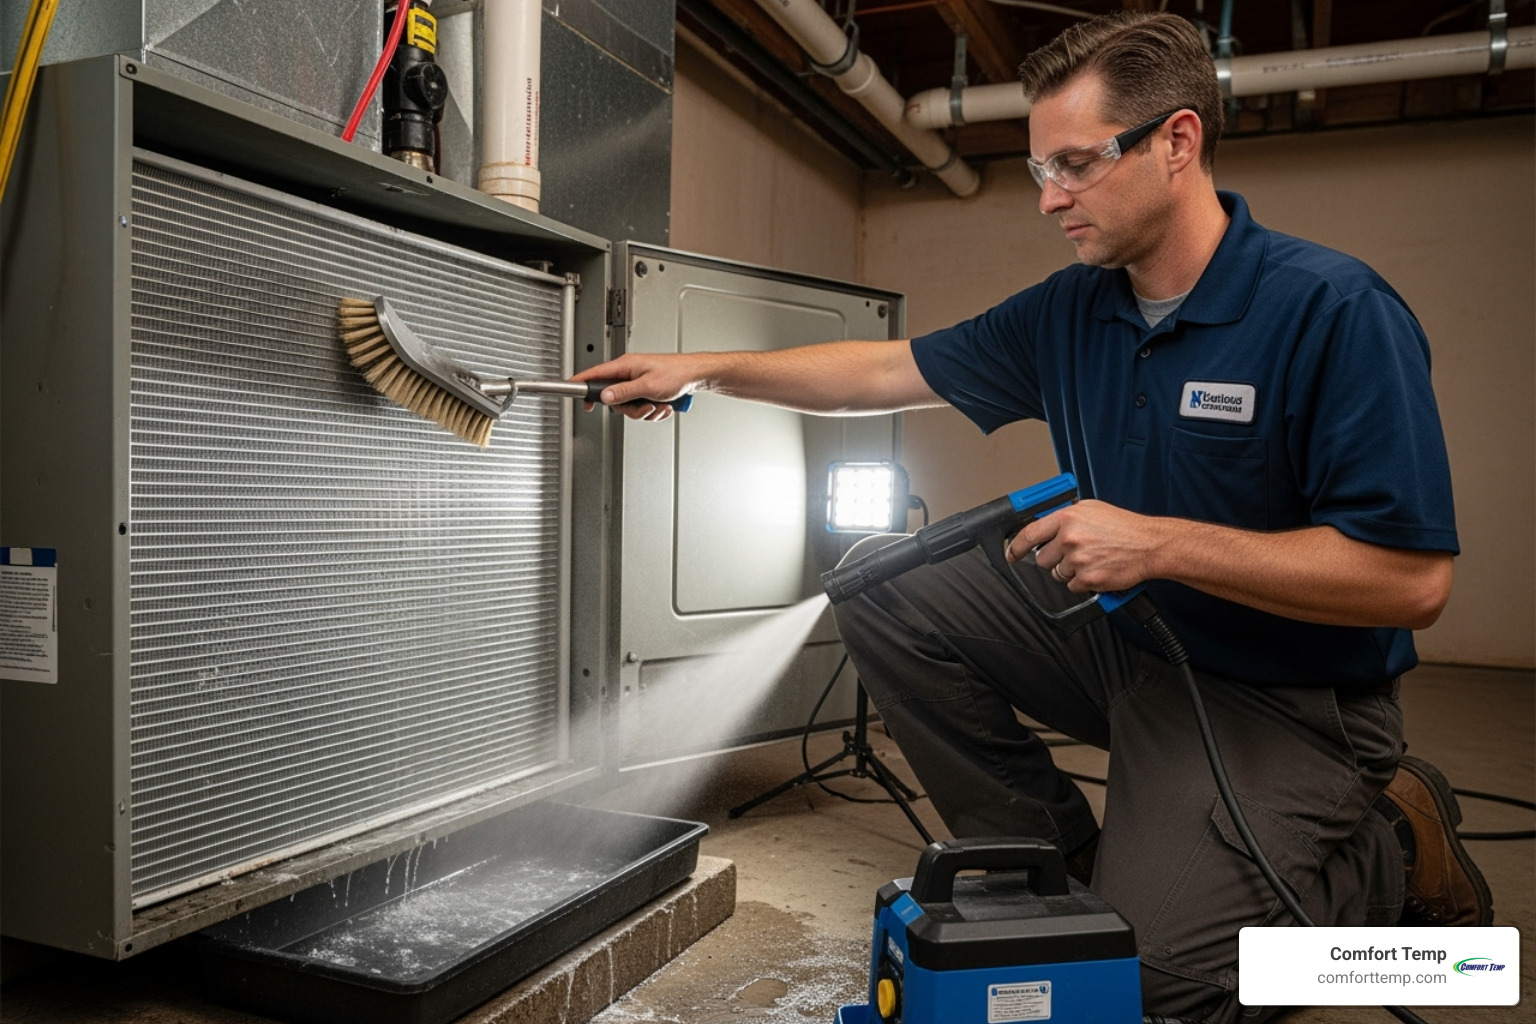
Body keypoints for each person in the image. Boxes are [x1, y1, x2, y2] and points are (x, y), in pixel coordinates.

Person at [574, 11, 1492, 1022]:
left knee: (1160, 991)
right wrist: (706, 367)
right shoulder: (1074, 306)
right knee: (883, 581)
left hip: (1285, 697)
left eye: (1076, 165)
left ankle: (1392, 850)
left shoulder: (1331, 311)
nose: (1051, 198)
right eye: (1038, 169)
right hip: (1126, 644)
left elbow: (1413, 582)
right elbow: (886, 367)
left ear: (1176, 142)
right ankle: (1066, 880)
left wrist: (1156, 542)